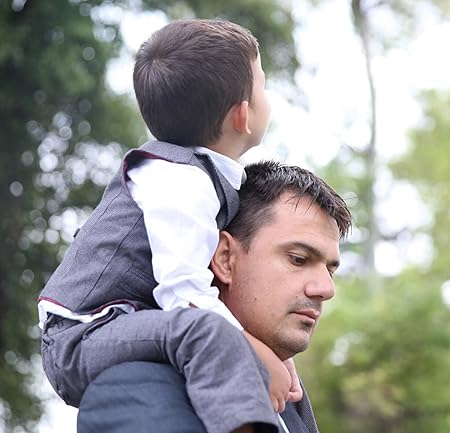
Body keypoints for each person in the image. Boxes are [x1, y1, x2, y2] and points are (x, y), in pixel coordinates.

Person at [38, 19, 298, 433]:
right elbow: (183, 292)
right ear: (242, 115)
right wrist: (254, 352)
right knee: (211, 333)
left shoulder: (203, 176)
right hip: (81, 336)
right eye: (263, 86)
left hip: (123, 324)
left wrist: (269, 350)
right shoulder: (180, 179)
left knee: (268, 356)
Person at [77, 161, 352, 433]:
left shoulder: (287, 397)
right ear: (224, 258)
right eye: (298, 259)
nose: (326, 289)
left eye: (330, 271)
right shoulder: (137, 390)